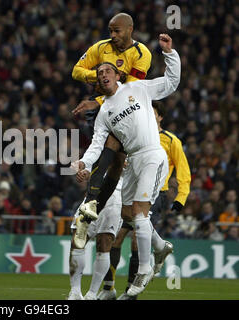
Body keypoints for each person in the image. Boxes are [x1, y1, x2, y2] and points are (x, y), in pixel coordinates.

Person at [73, 34, 180, 296]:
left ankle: (144, 268)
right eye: (99, 73)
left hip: (152, 156)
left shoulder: (137, 88)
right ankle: (159, 246)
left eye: (107, 70)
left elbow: (170, 83)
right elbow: (98, 145)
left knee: (141, 213)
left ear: (118, 75)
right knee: (129, 215)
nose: (102, 74)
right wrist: (83, 162)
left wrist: (170, 54)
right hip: (134, 162)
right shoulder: (104, 113)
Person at [71, 13, 152, 247]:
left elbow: (130, 89)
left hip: (129, 111)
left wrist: (96, 99)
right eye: (110, 31)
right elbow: (76, 70)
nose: (113, 35)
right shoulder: (100, 48)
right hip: (106, 109)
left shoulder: (141, 54)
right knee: (107, 151)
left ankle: (91, 205)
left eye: (117, 31)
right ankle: (89, 206)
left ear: (130, 30)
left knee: (115, 164)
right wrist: (95, 77)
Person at [99, 102, 191, 300]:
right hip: (132, 188)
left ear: (160, 117)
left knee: (135, 240)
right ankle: (109, 288)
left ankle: (132, 292)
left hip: (156, 192)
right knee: (116, 237)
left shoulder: (170, 140)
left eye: (154, 113)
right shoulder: (136, 136)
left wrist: (181, 197)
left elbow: (184, 171)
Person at [68, 159, 124, 300]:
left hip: (116, 196)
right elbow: (97, 163)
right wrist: (86, 171)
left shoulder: (136, 144)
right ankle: (75, 292)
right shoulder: (103, 141)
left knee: (103, 244)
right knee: (77, 240)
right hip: (94, 195)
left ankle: (92, 294)